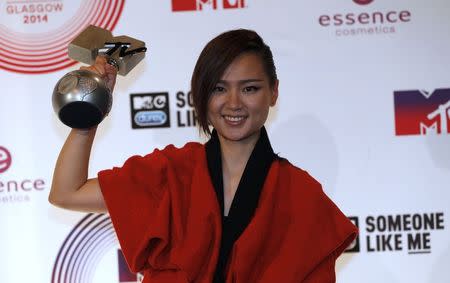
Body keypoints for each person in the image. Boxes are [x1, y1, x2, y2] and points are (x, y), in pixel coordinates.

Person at [49, 29, 357, 283]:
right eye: (219, 89)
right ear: (201, 94)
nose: (234, 103)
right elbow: (66, 192)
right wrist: (88, 111)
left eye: (249, 89)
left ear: (273, 92)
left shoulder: (301, 195)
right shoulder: (172, 172)